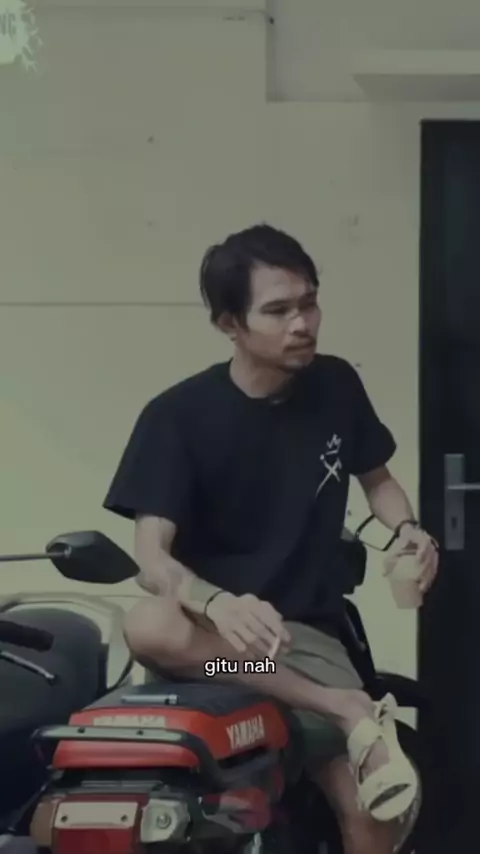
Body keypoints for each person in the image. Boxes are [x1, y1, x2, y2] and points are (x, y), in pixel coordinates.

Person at [104, 224, 438, 854]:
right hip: (218, 652)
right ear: (229, 323)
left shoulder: (336, 385)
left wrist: (409, 531)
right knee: (149, 623)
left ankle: (336, 709)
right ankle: (341, 706)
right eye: (278, 310)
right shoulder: (176, 416)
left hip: (299, 641)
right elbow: (151, 556)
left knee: (377, 807)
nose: (302, 323)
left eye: (309, 303)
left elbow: (380, 481)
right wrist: (215, 603)